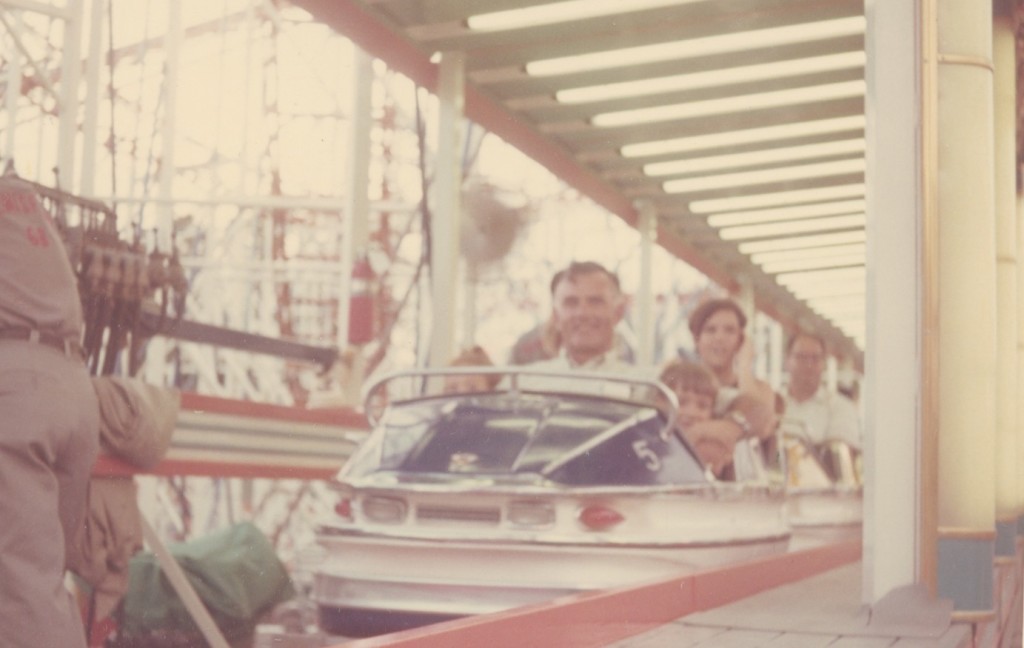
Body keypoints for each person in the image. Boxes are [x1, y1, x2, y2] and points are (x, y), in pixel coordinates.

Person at [0, 175, 99, 648]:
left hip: (16, 392)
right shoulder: (20, 200)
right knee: (40, 577)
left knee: (16, 587)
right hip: (70, 387)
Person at [783, 331, 861, 448]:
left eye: (815, 358)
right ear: (787, 360)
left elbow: (838, 455)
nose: (809, 364)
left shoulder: (841, 408)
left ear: (824, 363)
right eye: (802, 357)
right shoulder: (771, 404)